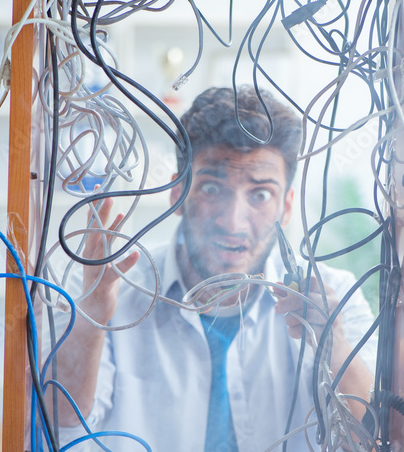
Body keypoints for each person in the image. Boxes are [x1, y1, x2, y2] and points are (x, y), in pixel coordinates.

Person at [49, 86, 376, 451]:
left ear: (286, 207)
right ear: (177, 195)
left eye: (260, 194)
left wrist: (334, 345)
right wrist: (91, 317)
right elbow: (59, 428)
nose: (233, 222)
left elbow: (372, 441)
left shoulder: (332, 298)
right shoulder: (108, 289)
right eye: (212, 189)